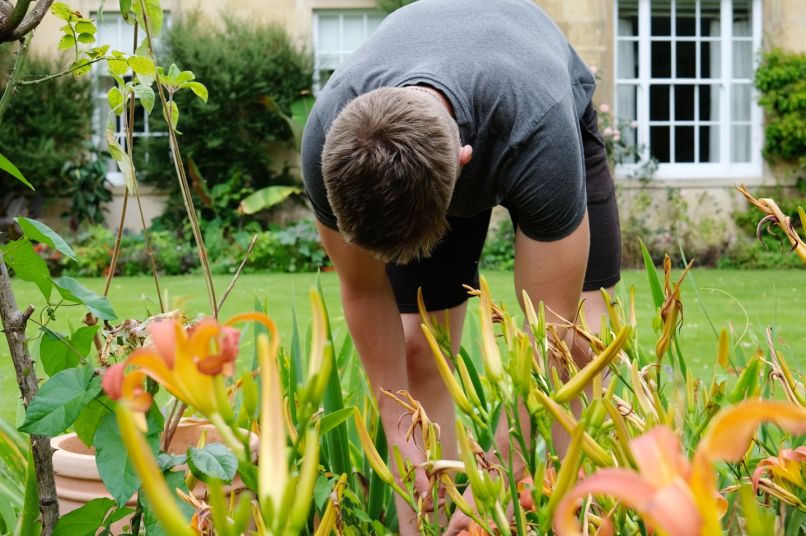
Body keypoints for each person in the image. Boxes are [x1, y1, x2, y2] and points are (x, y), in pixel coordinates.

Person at [301, 0, 621, 533]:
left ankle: (579, 520)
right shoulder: (330, 140)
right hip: (434, 120)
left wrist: (497, 473)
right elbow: (362, 289)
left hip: (532, 96)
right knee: (420, 348)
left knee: (580, 351)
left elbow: (551, 334)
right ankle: (428, 524)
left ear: (464, 162)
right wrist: (399, 429)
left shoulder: (538, 129)